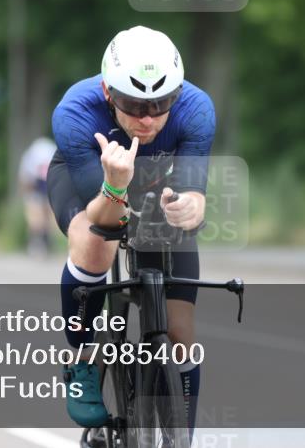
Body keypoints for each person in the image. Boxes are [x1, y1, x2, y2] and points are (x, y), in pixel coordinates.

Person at [47, 26, 215, 435]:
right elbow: (105, 216)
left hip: (158, 186)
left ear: (177, 95)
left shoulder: (197, 109)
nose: (146, 118)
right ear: (107, 92)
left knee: (181, 332)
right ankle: (85, 359)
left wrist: (189, 208)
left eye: (160, 105)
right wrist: (117, 183)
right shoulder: (75, 112)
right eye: (132, 104)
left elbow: (195, 193)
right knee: (95, 241)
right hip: (89, 180)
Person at [19, 136, 58, 257]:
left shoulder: (31, 155)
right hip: (44, 183)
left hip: (43, 183)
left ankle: (41, 242)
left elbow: (25, 178)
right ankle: (42, 242)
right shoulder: (49, 152)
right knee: (40, 217)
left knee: (38, 218)